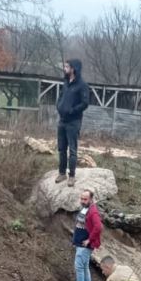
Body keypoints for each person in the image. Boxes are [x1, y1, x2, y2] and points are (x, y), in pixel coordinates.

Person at [54, 59, 89, 187]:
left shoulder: (82, 85)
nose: (65, 68)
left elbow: (85, 103)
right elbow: (61, 96)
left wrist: (72, 111)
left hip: (73, 122)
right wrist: (59, 106)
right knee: (61, 149)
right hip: (62, 121)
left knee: (72, 150)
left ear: (73, 68)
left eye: (67, 66)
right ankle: (62, 173)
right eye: (65, 66)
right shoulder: (66, 82)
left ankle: (72, 176)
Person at [72, 189, 102, 281]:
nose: (82, 201)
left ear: (91, 199)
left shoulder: (93, 211)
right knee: (84, 267)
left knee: (79, 267)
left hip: (84, 245)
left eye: (85, 199)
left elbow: (98, 227)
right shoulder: (85, 208)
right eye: (81, 198)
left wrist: (89, 240)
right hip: (80, 243)